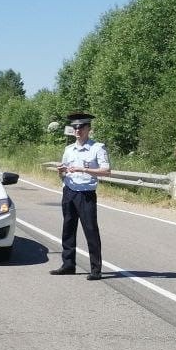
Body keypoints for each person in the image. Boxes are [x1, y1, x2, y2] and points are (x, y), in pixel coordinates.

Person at [50, 113, 111, 280]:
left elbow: (106, 170)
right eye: (75, 127)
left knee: (91, 231)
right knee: (68, 229)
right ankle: (68, 264)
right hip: (69, 191)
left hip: (86, 194)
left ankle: (96, 269)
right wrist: (61, 172)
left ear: (88, 129)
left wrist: (83, 169)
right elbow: (64, 170)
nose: (77, 130)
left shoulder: (97, 148)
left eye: (81, 127)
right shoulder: (69, 149)